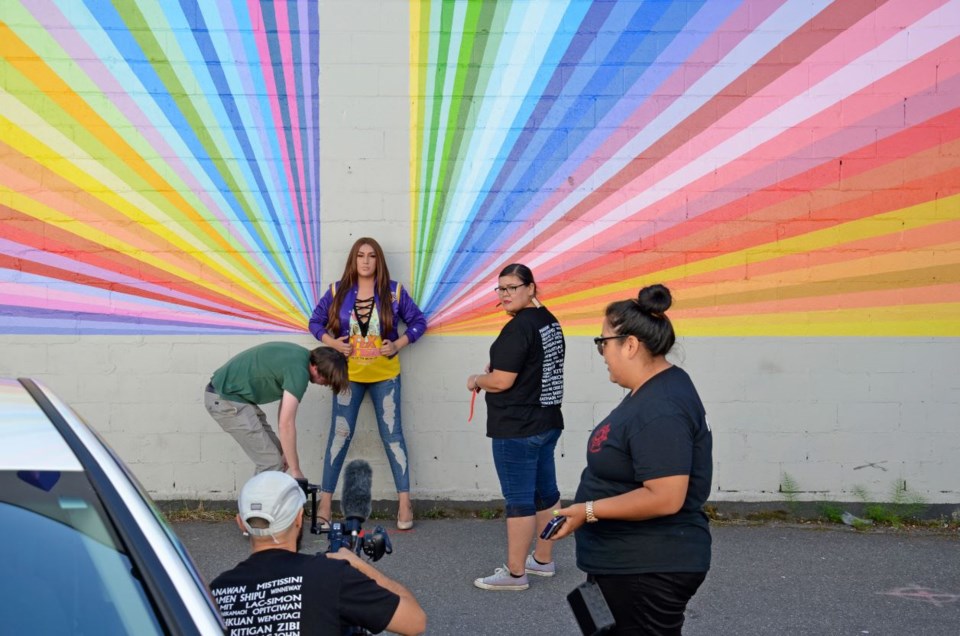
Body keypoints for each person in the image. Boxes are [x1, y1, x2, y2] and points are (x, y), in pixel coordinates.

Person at [550, 284, 713, 635]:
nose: (601, 352)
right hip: (623, 563)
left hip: (645, 568)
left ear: (630, 344)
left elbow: (666, 496)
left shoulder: (662, 407)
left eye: (602, 342)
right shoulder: (654, 390)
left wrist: (587, 510)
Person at [210, 471, 427, 635]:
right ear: (298, 518)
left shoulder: (214, 593)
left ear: (240, 523)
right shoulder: (331, 576)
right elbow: (415, 621)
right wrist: (360, 566)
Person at [308, 237, 427, 530]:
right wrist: (333, 342)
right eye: (360, 255)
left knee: (393, 437)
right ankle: (325, 503)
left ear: (378, 260)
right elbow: (315, 322)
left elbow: (418, 322)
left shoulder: (394, 292)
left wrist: (398, 343)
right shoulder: (338, 291)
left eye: (371, 256)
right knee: (339, 436)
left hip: (385, 376)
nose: (365, 261)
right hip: (348, 377)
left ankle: (404, 502)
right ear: (353, 259)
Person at [467, 263, 565, 591]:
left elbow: (502, 380)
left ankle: (515, 574)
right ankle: (543, 560)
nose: (505, 294)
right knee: (546, 493)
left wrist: (477, 380)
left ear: (531, 288)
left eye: (512, 287)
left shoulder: (519, 328)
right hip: (547, 422)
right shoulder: (549, 321)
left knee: (519, 500)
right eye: (501, 289)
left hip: (518, 428)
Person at [205, 342, 348, 481]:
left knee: (278, 456)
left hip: (235, 398)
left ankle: (268, 503)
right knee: (271, 463)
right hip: (224, 399)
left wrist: (287, 453)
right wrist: (296, 470)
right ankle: (258, 504)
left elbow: (284, 415)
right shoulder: (299, 372)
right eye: (327, 381)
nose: (325, 385)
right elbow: (286, 424)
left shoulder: (299, 356)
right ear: (316, 368)